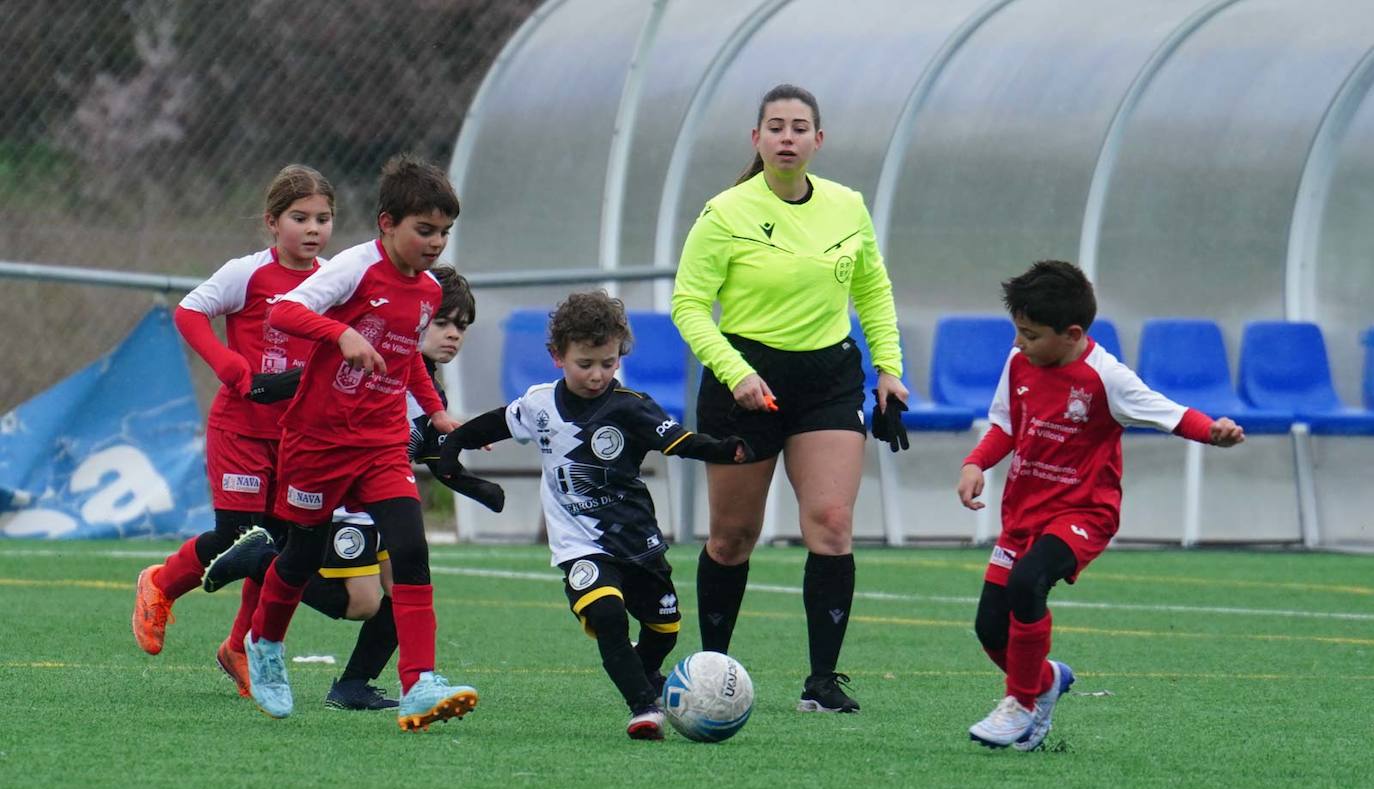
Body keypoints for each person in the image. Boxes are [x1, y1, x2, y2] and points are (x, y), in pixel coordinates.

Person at [669, 83, 910, 714]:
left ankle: (823, 683)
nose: (786, 137)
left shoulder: (847, 206)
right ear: (756, 139)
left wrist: (889, 368)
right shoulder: (724, 212)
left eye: (799, 127)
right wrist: (734, 371)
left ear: (817, 140)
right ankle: (710, 671)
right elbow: (688, 306)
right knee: (733, 537)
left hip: (829, 377)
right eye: (774, 126)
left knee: (831, 523)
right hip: (745, 379)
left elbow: (874, 292)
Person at [956, 260, 1245, 750]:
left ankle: (1021, 704)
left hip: (1083, 514)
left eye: (1029, 334)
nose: (1018, 343)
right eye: (1017, 332)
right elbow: (1005, 424)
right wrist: (975, 464)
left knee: (1029, 582)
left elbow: (1166, 412)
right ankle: (1045, 680)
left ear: (1071, 333)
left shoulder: (1105, 377)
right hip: (1022, 514)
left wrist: (1212, 432)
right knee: (989, 628)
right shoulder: (1018, 364)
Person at [436, 291, 750, 739]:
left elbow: (679, 441)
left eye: (608, 362)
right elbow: (496, 423)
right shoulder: (540, 404)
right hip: (579, 544)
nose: (598, 374)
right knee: (606, 614)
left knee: (664, 631)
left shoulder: (632, 407)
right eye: (586, 364)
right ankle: (643, 707)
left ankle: (643, 674)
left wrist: (723, 449)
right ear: (557, 357)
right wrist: (452, 446)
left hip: (637, 541)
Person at [239, 152, 477, 731]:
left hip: (380, 444)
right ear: (387, 223)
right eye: (425, 230)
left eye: (444, 232)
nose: (436, 243)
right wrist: (341, 331)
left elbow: (404, 359)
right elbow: (285, 314)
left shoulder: (425, 292)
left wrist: (438, 413)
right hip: (317, 443)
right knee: (301, 556)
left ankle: (418, 682)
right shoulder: (352, 268)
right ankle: (265, 643)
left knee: (411, 548)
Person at [203, 266, 495, 712]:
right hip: (338, 495)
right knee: (358, 603)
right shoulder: (366, 357)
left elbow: (429, 447)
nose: (452, 334)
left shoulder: (427, 383)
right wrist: (257, 385)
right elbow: (297, 387)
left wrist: (472, 477)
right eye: (442, 322)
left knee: (406, 573)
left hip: (377, 491)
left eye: (462, 326)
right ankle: (261, 562)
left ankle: (364, 683)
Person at [131, 164, 335, 675]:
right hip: (241, 429)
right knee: (235, 536)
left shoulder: (334, 279)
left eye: (324, 218)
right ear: (272, 221)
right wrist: (233, 368)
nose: (313, 229)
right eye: (300, 217)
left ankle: (239, 646)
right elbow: (189, 313)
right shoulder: (246, 272)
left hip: (297, 437)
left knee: (278, 546)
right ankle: (160, 584)